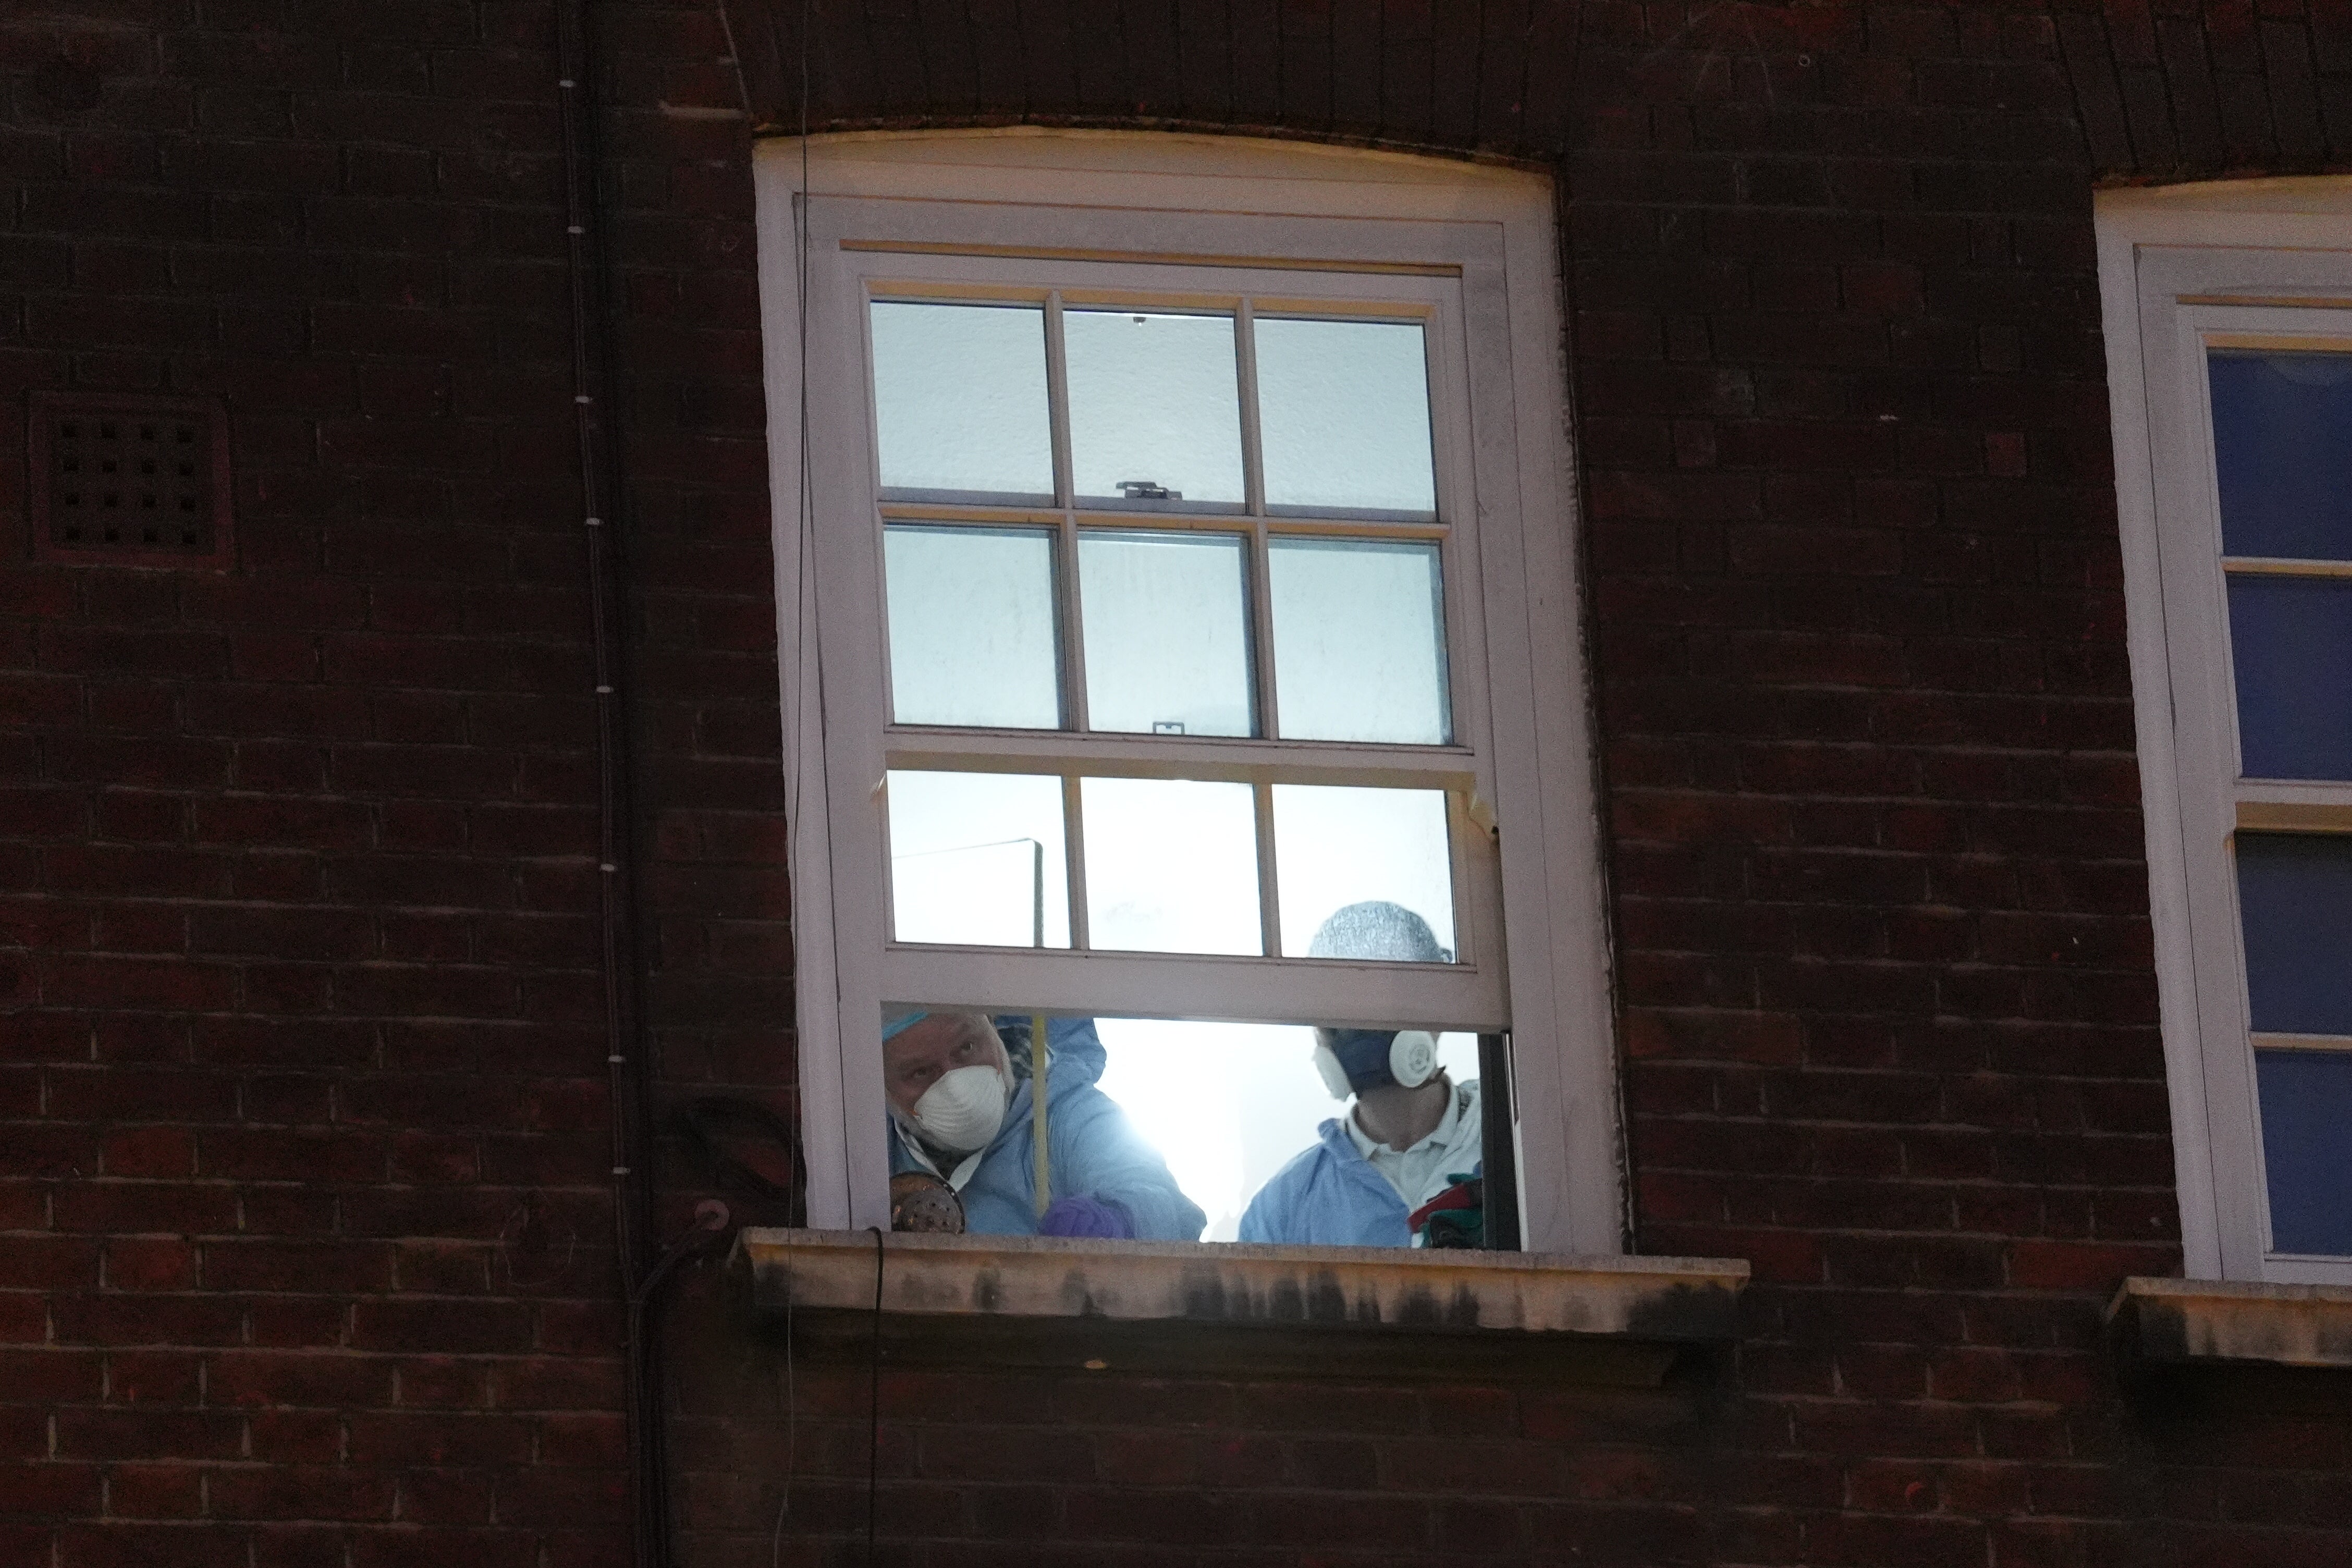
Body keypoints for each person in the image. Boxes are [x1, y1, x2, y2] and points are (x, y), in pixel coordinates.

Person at [1237, 901, 1485, 1248]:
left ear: (1438, 1010)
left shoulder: (1516, 1146)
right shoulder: (1283, 1210)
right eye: (1342, 1016)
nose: (1363, 1035)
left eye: (1386, 1008)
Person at [883, 1009, 1206, 1241]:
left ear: (993, 1027)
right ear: (882, 1089)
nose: (957, 1088)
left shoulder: (1069, 1114)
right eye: (920, 1073)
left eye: (967, 1048)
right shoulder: (863, 1141)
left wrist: (1119, 1219)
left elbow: (1166, 1207)